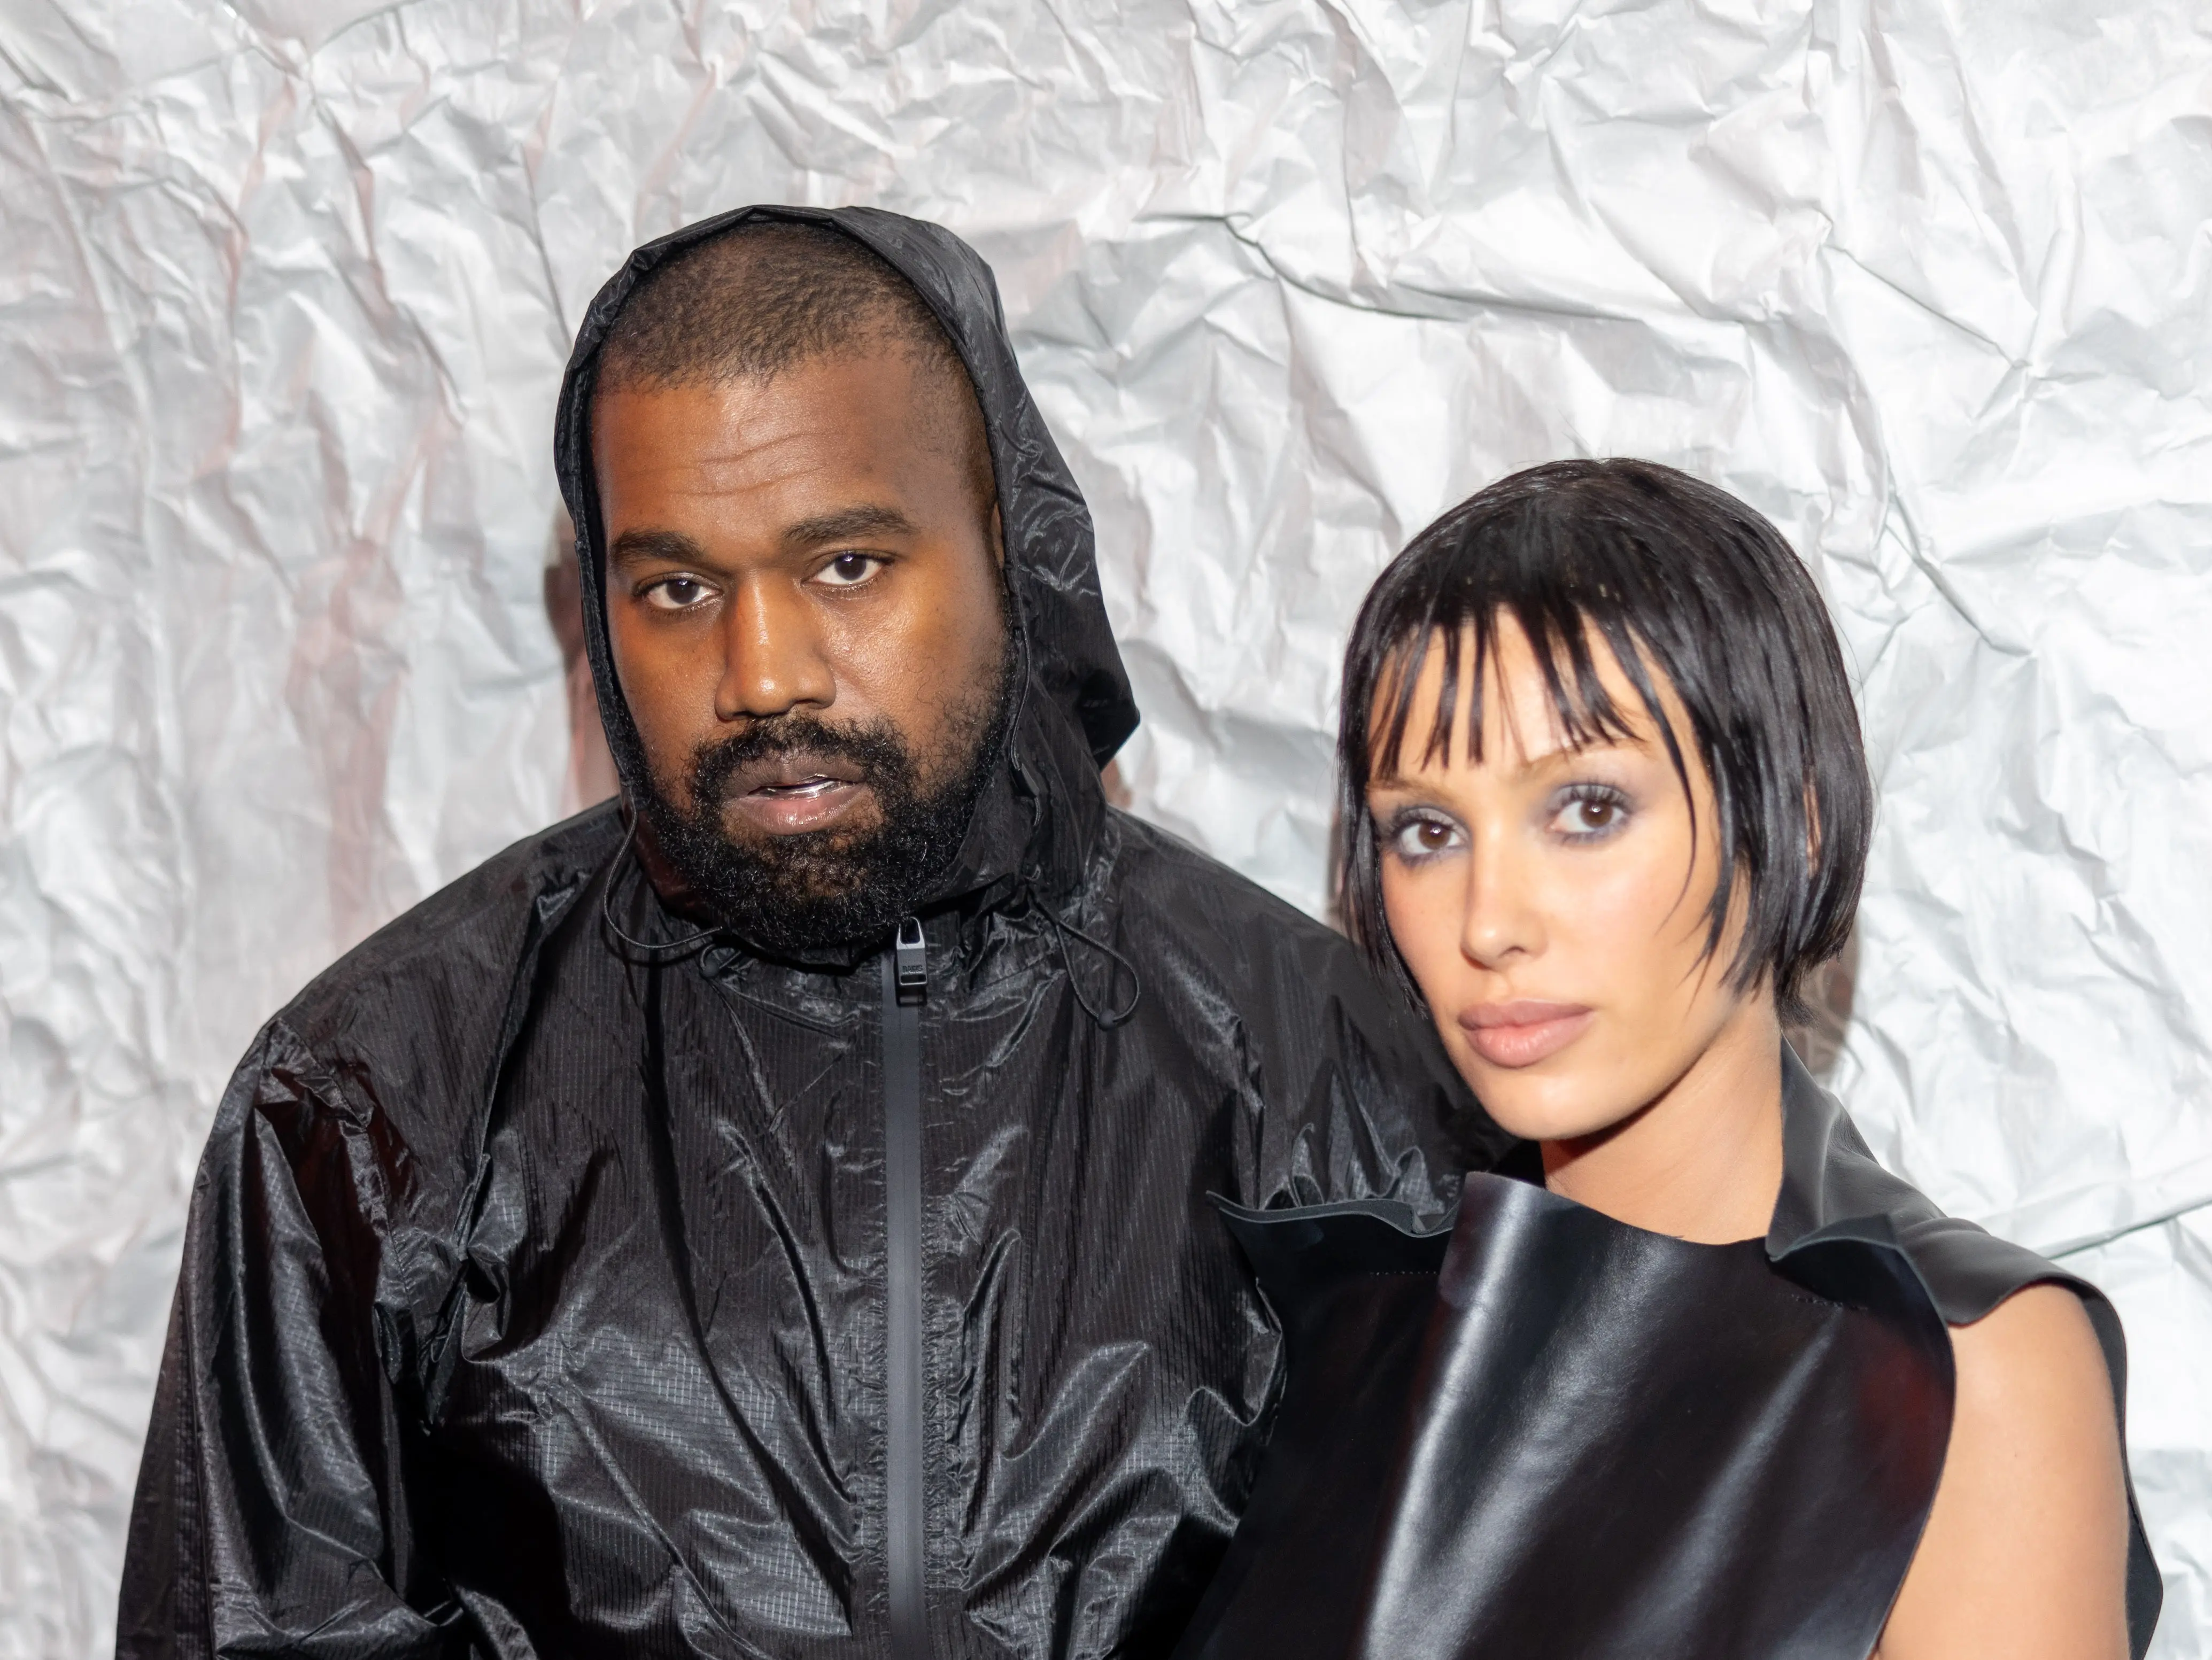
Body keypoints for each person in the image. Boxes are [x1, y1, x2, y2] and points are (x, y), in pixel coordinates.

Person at [117, 207, 1503, 1658]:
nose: (762, 674)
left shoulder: (1331, 1076)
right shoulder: (374, 1097)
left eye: (845, 565)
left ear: (1009, 558)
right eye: (679, 590)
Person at [1173, 460, 2161, 1660]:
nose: (1487, 921)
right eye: (1426, 831)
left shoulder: (1957, 1366)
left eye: (1584, 809)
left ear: (1786, 821)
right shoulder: (1348, 1321)